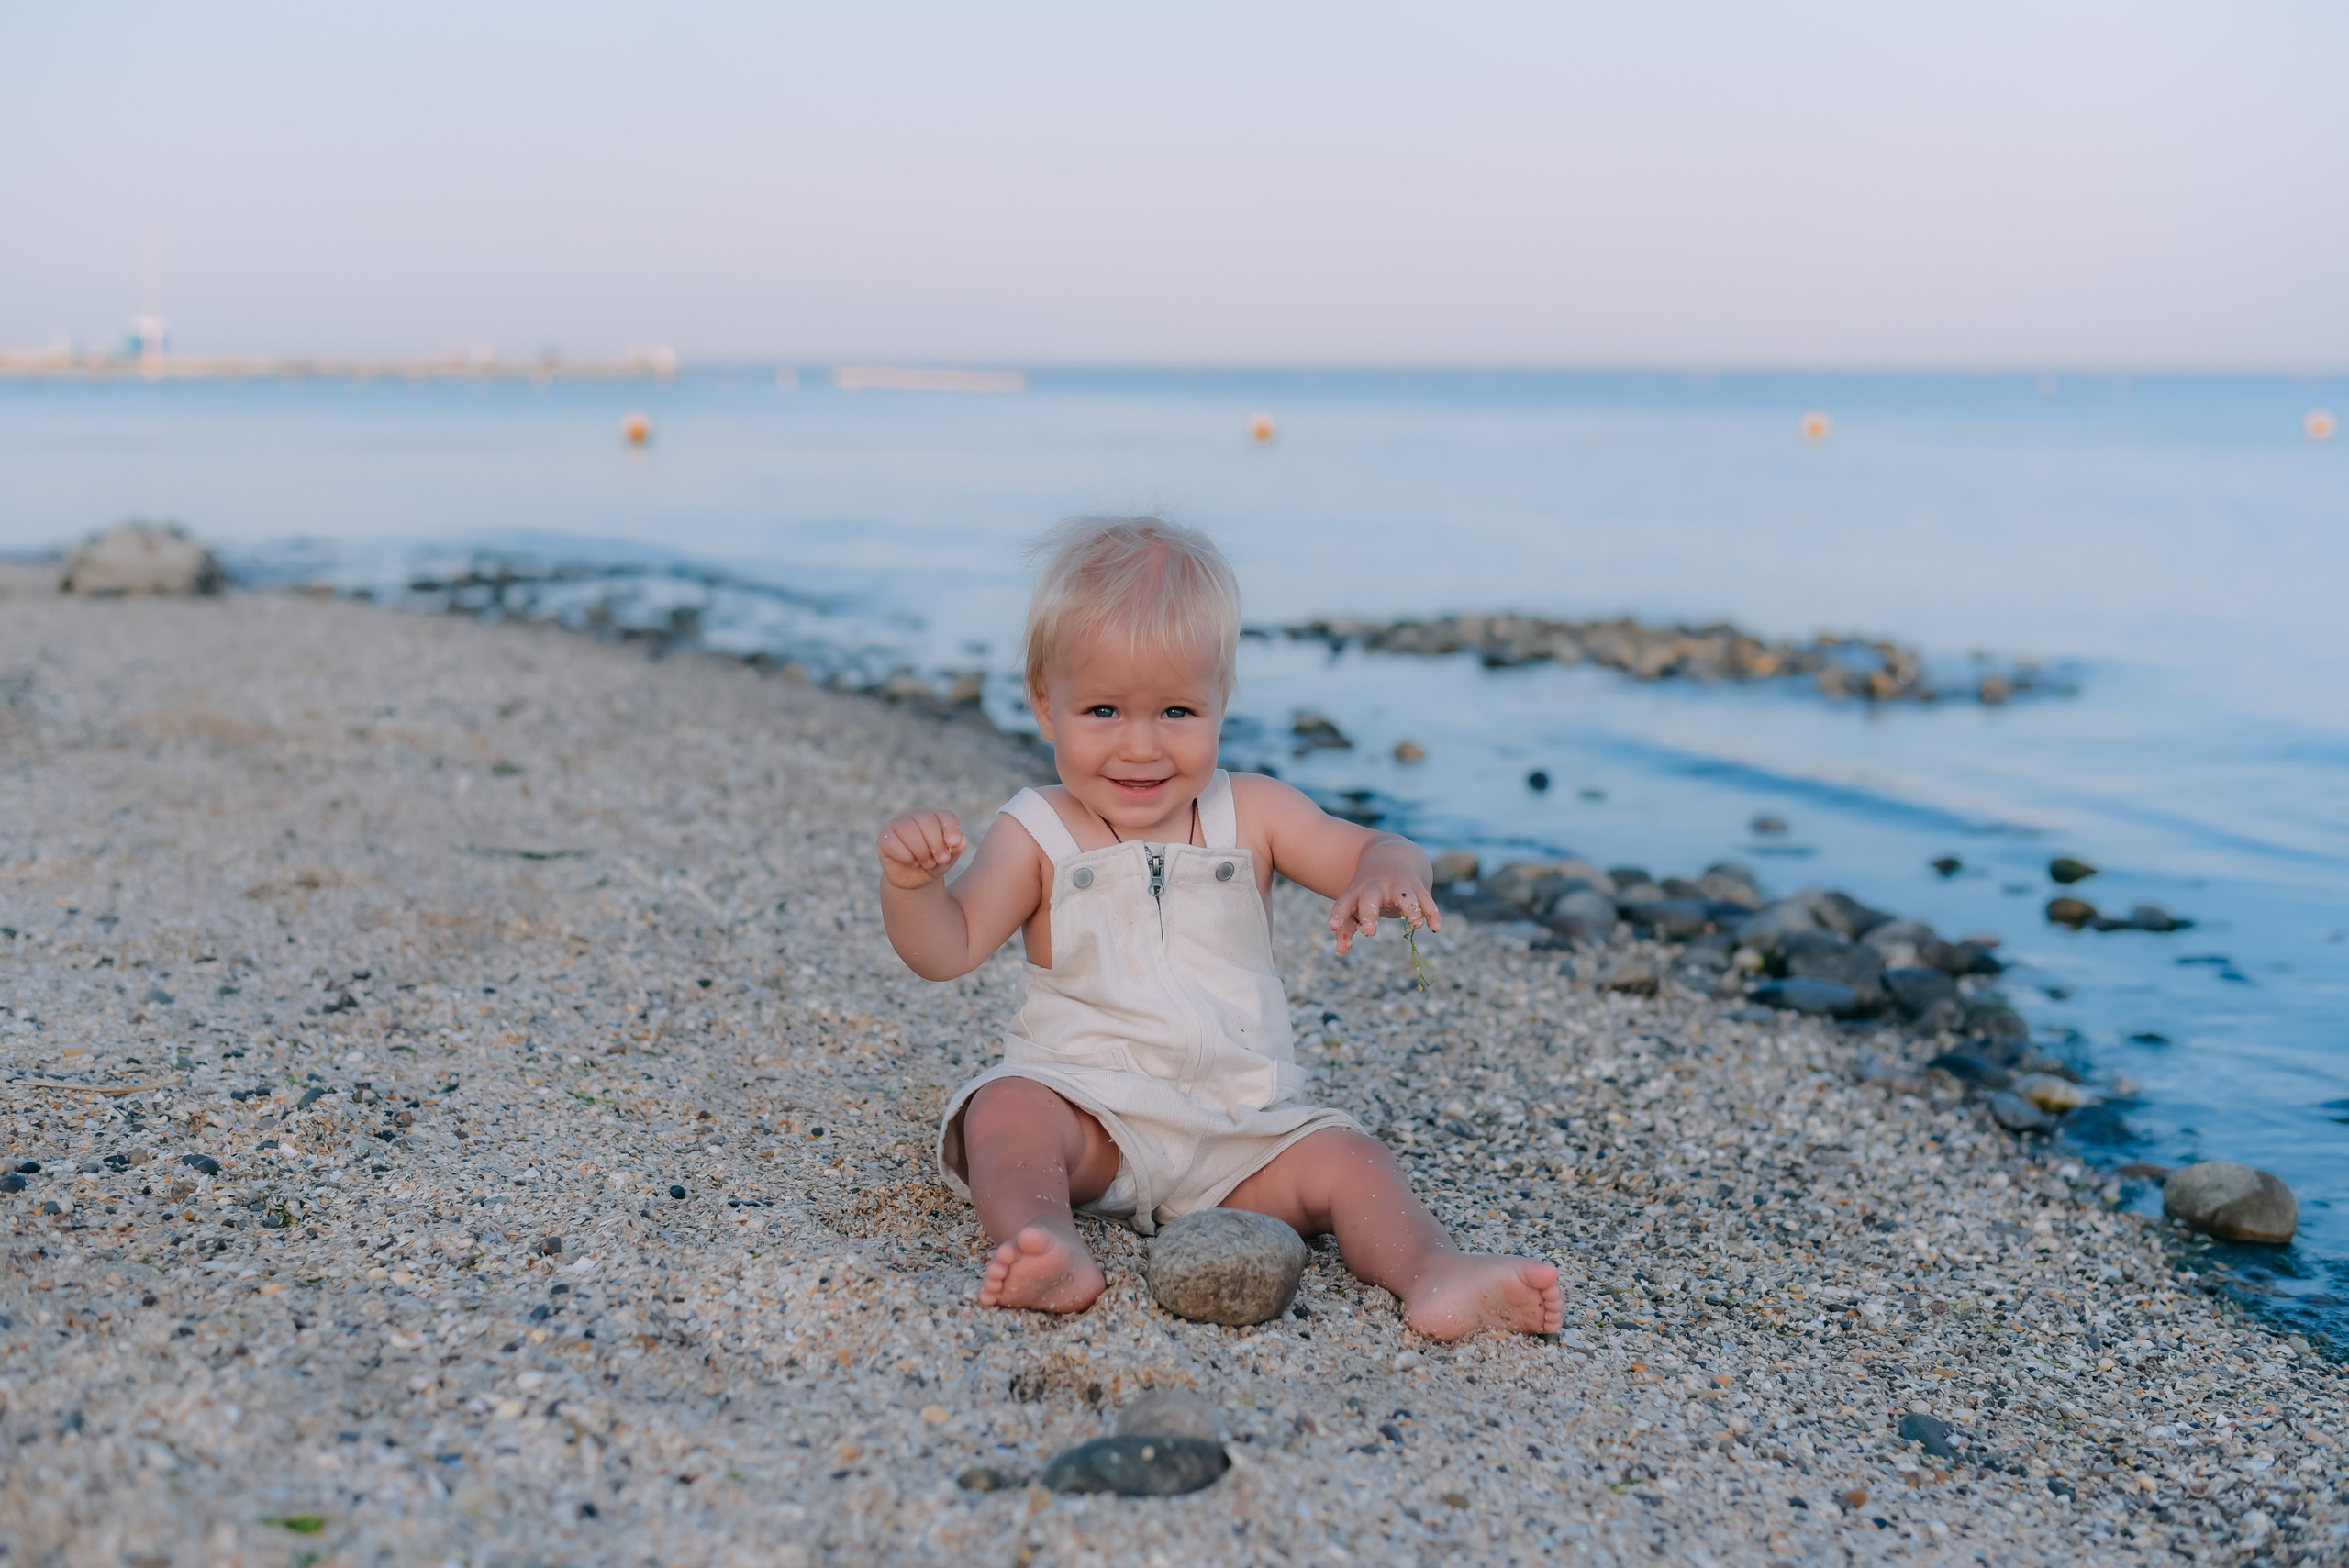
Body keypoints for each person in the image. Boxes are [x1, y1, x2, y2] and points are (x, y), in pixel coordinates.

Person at [875, 517, 1562, 1340]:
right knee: (1004, 1109)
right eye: (1102, 709)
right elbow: (946, 947)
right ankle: (1046, 1240)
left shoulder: (1255, 812)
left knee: (1353, 1159)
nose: (1140, 746)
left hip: (1244, 1132)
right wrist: (913, 887)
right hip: (1093, 1117)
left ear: (1221, 700)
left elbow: (1373, 845)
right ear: (1044, 703)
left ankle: (1434, 1271)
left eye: (1176, 710)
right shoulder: (1037, 832)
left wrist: (1386, 870)